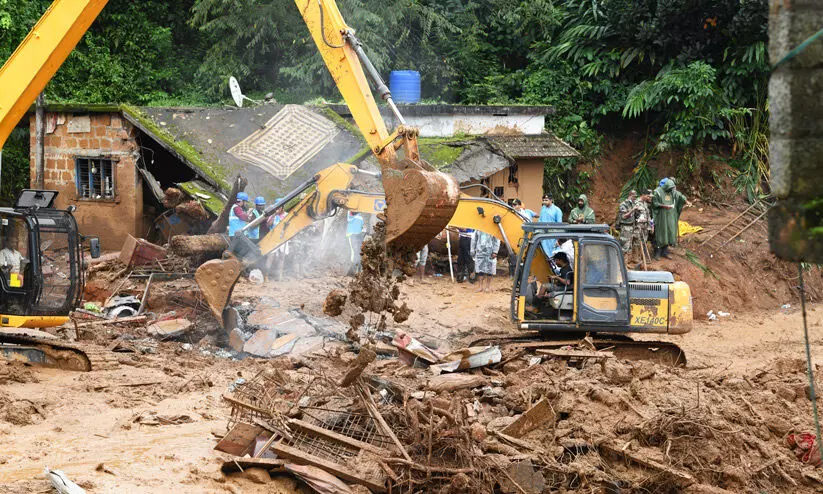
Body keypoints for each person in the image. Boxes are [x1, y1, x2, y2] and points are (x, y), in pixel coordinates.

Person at [652, 178, 687, 259]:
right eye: (670, 188)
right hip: (661, 217)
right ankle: (657, 253)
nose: (671, 190)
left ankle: (665, 251)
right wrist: (663, 206)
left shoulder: (672, 192)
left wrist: (677, 193)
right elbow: (654, 204)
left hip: (671, 217)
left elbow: (682, 198)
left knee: (669, 233)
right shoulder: (657, 192)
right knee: (661, 234)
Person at [633, 190, 653, 266]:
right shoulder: (636, 203)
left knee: (644, 240)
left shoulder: (645, 203)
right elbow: (633, 215)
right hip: (638, 226)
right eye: (648, 196)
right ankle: (636, 258)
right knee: (637, 242)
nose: (649, 198)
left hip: (645, 226)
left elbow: (648, 215)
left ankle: (643, 257)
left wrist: (651, 225)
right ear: (643, 195)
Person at [617, 190, 638, 261]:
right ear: (630, 195)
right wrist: (633, 210)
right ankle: (621, 262)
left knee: (629, 245)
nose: (635, 198)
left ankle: (626, 262)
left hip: (632, 226)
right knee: (624, 245)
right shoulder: (624, 204)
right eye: (634, 196)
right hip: (625, 227)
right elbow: (624, 216)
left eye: (636, 197)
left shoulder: (633, 204)